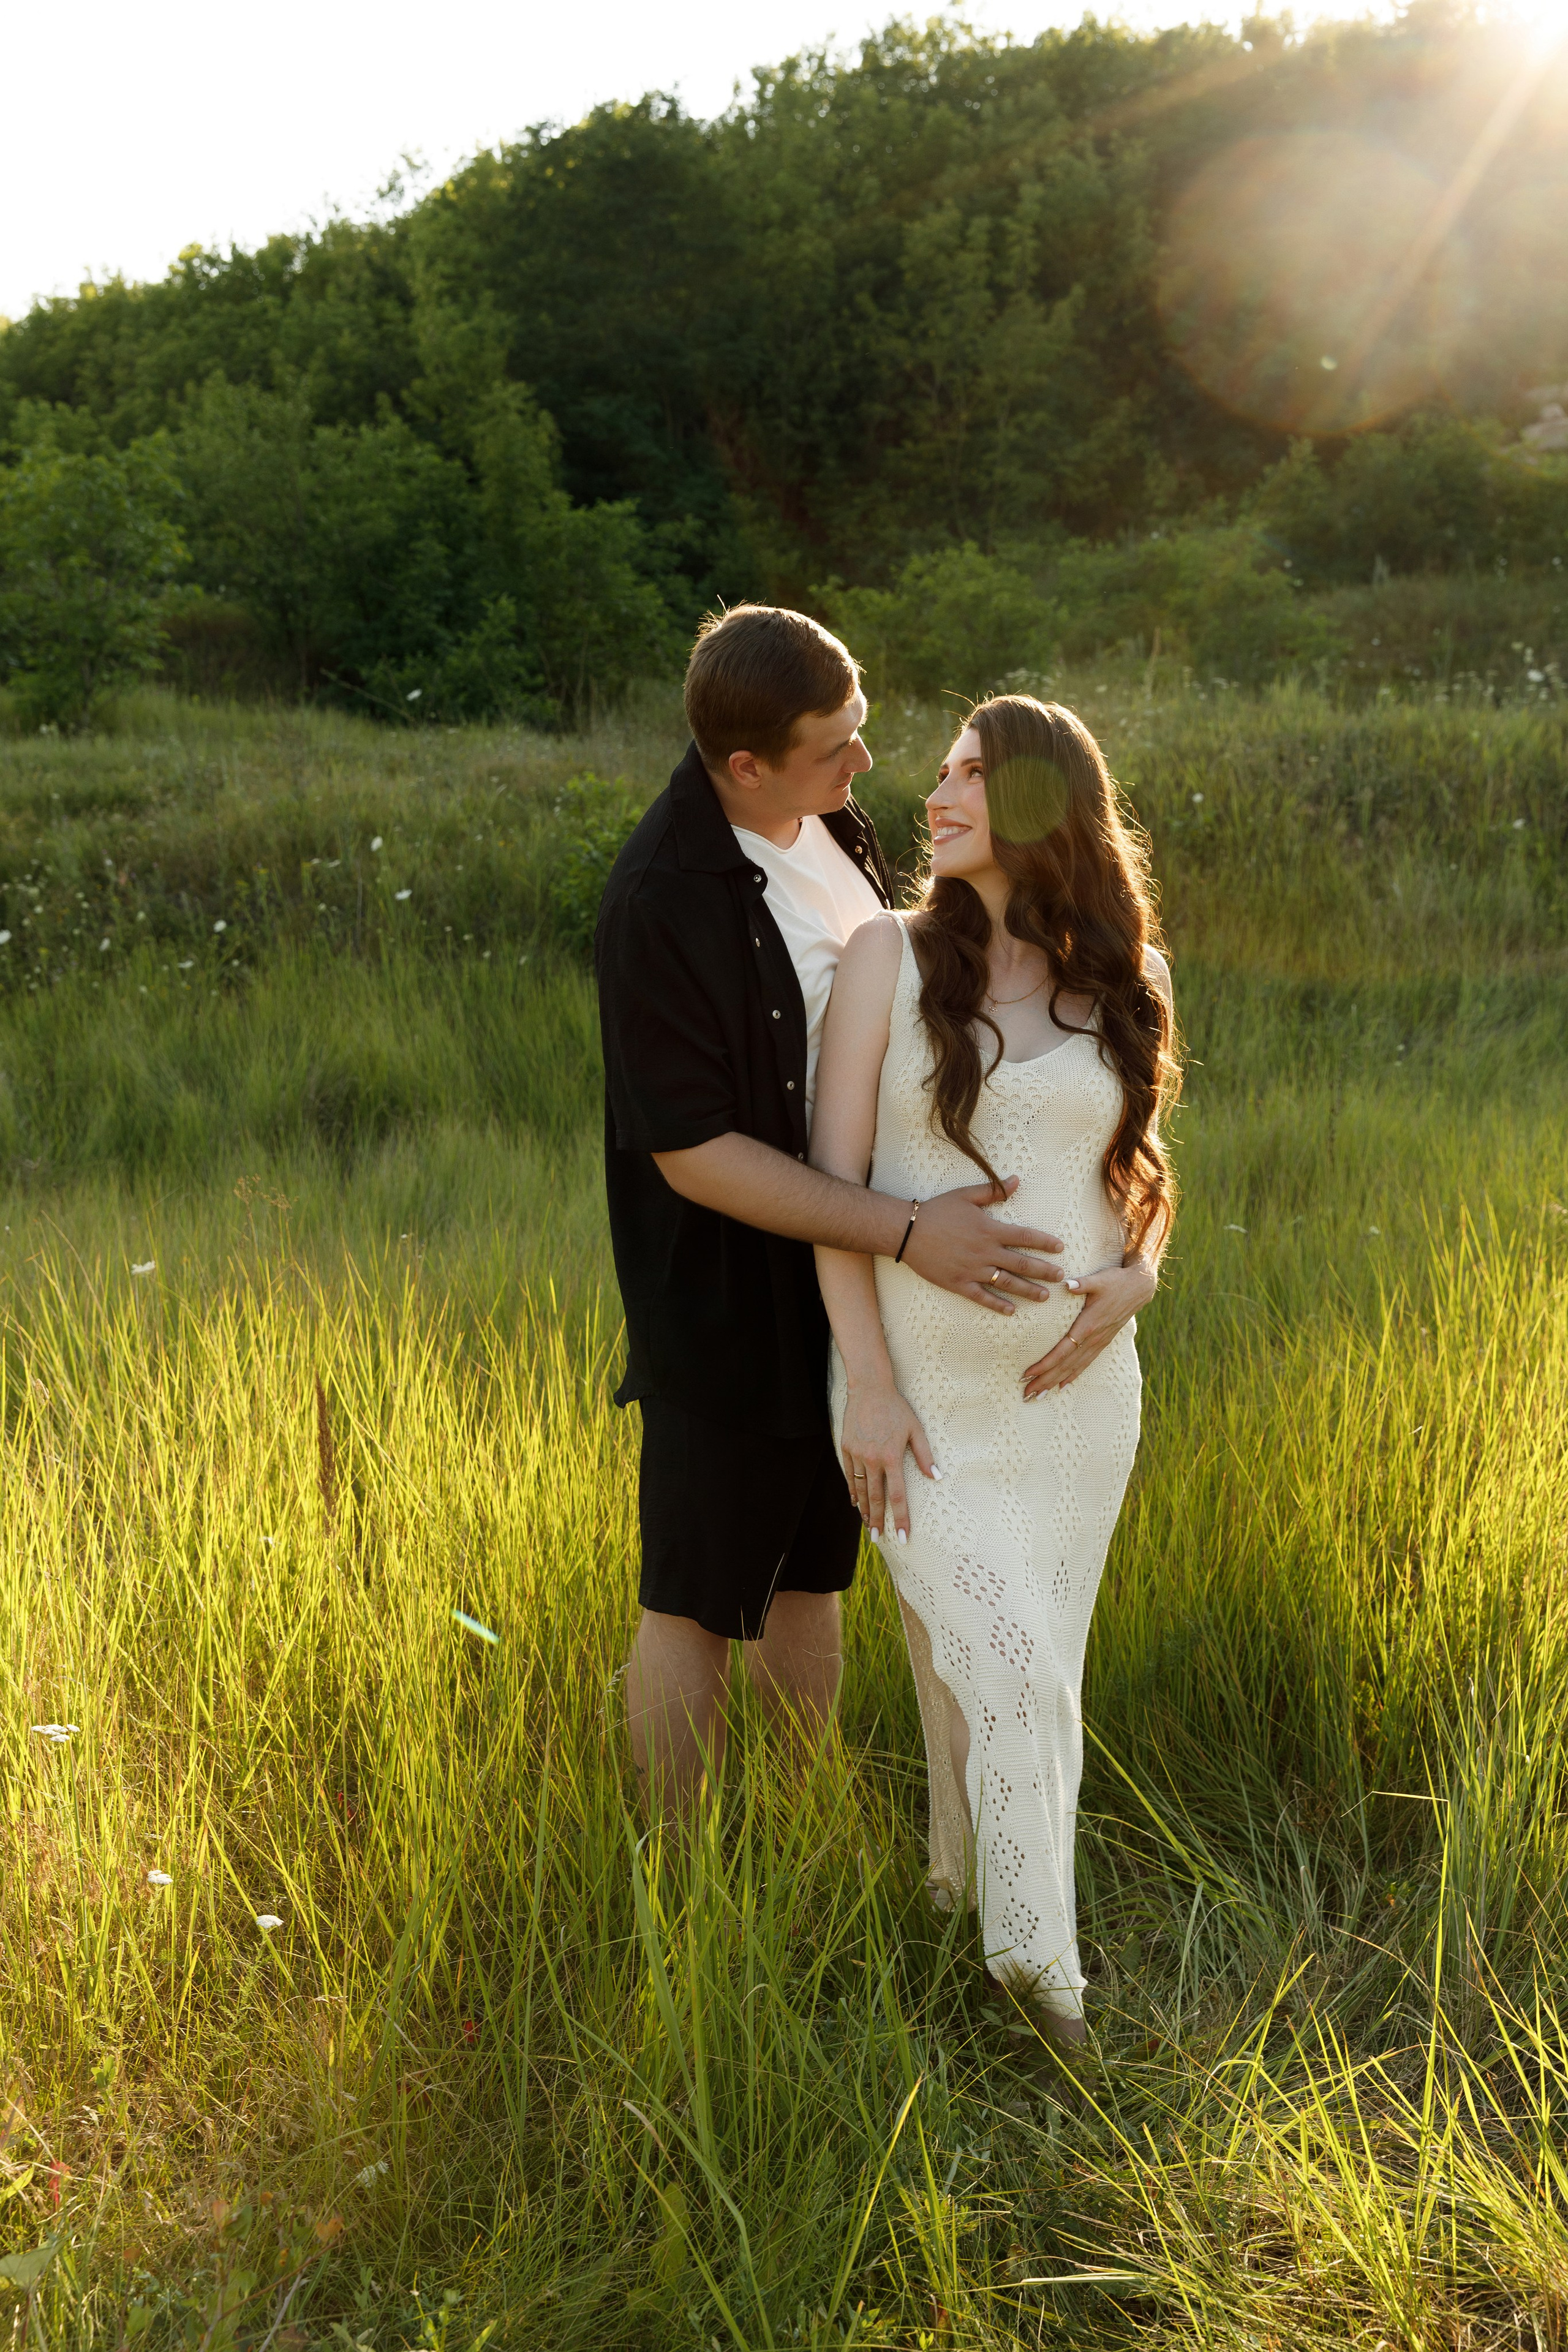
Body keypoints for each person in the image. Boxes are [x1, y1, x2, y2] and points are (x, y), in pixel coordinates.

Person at [594, 609, 1069, 1806]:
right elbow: (693, 1155)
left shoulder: (830, 822)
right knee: (699, 1598)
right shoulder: (663, 898)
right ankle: (679, 1873)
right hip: (728, 1297)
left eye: (858, 728)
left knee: (813, 1569)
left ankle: (792, 1824)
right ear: (745, 764)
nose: (865, 761)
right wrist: (907, 1230)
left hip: (847, 1276)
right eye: (833, 745)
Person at [810, 693, 1180, 2043]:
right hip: (922, 1402)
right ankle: (1044, 1994)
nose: (938, 793)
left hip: (1080, 1404)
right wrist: (867, 1386)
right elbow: (831, 1192)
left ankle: (957, 1897)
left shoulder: (1126, 973)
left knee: (1017, 1674)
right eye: (943, 771)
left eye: (970, 773)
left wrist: (1141, 1274)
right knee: (1011, 1668)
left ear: (1038, 801)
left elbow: (1139, 1177)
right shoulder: (886, 959)